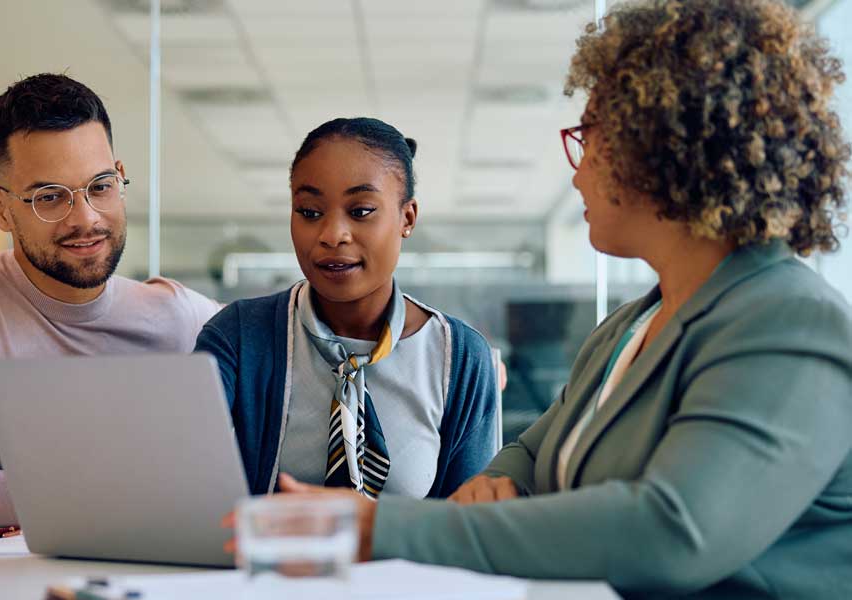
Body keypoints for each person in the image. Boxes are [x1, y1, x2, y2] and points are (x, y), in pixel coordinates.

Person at [276, 0, 852, 597]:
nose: (576, 172)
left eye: (590, 137)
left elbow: (672, 532)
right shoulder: (629, 328)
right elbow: (531, 452)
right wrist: (497, 482)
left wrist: (387, 527)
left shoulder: (789, 323)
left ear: (663, 146)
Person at [0, 74, 220, 529]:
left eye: (100, 186)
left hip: (99, 571)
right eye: (50, 197)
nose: (86, 218)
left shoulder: (175, 315)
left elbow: (295, 340)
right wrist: (145, 495)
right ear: (0, 210)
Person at [196, 118, 500, 500]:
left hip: (404, 560)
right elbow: (190, 489)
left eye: (360, 211)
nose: (331, 234)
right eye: (309, 212)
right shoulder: (238, 337)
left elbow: (468, 526)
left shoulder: (460, 358)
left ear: (407, 218)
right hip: (272, 557)